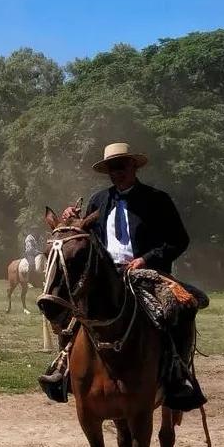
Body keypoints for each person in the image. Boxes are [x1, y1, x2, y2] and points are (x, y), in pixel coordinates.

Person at [38, 142, 205, 410]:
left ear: (133, 167)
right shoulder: (98, 201)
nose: (117, 172)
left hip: (147, 271)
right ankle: (64, 367)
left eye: (122, 166)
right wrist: (71, 219)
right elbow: (84, 241)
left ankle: (178, 376)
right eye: (112, 168)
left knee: (180, 307)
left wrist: (145, 259)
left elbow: (179, 240)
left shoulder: (157, 200)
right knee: (70, 311)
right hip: (105, 275)